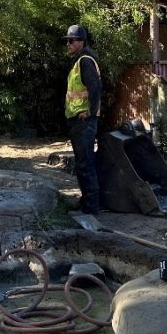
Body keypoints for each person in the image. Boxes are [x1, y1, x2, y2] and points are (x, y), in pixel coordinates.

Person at [62, 24, 102, 215]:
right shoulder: (80, 60)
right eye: (67, 41)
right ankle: (87, 201)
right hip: (78, 120)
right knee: (82, 163)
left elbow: (95, 89)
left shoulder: (85, 61)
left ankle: (91, 207)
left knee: (85, 163)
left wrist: (91, 113)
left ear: (81, 42)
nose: (68, 44)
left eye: (71, 41)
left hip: (83, 121)